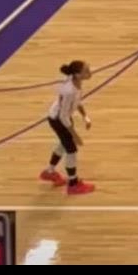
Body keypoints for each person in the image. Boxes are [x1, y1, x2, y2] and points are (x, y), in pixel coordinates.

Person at [39, 61, 95, 195]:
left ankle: (49, 171)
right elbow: (63, 116)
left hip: (63, 118)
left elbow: (77, 102)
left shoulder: (76, 82)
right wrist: (75, 135)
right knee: (71, 150)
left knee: (64, 145)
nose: (90, 72)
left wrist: (85, 117)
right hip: (58, 120)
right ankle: (73, 184)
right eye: (86, 71)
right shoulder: (69, 90)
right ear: (77, 74)